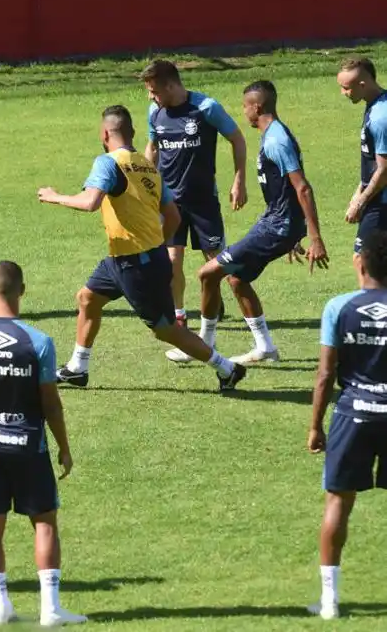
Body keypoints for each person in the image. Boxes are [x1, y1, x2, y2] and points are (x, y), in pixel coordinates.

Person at [38, 105, 246, 392]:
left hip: (136, 264)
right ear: (133, 132)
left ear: (105, 133)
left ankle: (227, 368)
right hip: (124, 259)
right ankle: (77, 368)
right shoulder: (148, 167)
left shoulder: (107, 162)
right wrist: (156, 245)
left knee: (166, 330)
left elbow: (90, 202)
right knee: (87, 299)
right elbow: (172, 216)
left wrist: (53, 196)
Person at [0, 261, 87, 627]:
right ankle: (51, 610)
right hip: (29, 447)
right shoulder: (38, 342)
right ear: (22, 291)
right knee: (44, 523)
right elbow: (51, 403)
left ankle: (0, 606)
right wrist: (63, 446)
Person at [194, 81, 328, 364]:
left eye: (244, 106)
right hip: (277, 223)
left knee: (208, 274)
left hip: (276, 226)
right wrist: (294, 233)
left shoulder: (277, 140)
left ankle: (202, 347)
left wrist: (313, 236)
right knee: (237, 279)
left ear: (256, 106)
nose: (243, 112)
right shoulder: (272, 135)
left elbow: (302, 187)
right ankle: (265, 347)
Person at [140, 60, 248, 361]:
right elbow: (153, 147)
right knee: (172, 260)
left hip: (203, 202)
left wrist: (239, 179)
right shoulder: (155, 112)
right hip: (169, 201)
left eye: (154, 90)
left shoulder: (205, 108)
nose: (151, 97)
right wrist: (148, 181)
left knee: (219, 263)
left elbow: (236, 138)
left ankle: (237, 311)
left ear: (171, 85)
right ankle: (180, 318)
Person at [306, 229, 387, 620]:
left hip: (353, 414)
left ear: (360, 262)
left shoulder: (339, 307)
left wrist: (315, 426)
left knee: (339, 502)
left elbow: (325, 374)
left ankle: (328, 602)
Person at [338, 58, 387, 269]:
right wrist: (358, 192)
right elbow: (372, 163)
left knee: (363, 262)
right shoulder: (376, 105)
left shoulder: (380, 117)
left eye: (346, 88)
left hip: (382, 202)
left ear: (362, 85)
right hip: (376, 196)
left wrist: (361, 202)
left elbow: (384, 170)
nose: (343, 93)